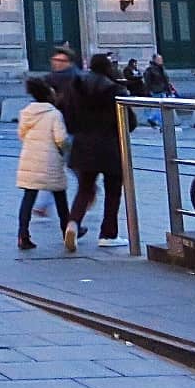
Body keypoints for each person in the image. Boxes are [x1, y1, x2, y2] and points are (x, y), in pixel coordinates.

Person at [64, 55, 128, 251]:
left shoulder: (76, 87)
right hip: (110, 146)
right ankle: (108, 234)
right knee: (113, 191)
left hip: (83, 144)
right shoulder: (115, 90)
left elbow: (68, 115)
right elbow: (129, 121)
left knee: (85, 188)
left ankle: (73, 223)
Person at [16, 76, 72, 252]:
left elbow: (21, 134)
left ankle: (23, 235)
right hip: (51, 159)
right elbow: (61, 139)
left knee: (28, 197)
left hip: (30, 158)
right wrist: (67, 151)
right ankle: (66, 232)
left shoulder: (26, 112)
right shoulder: (54, 114)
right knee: (60, 198)